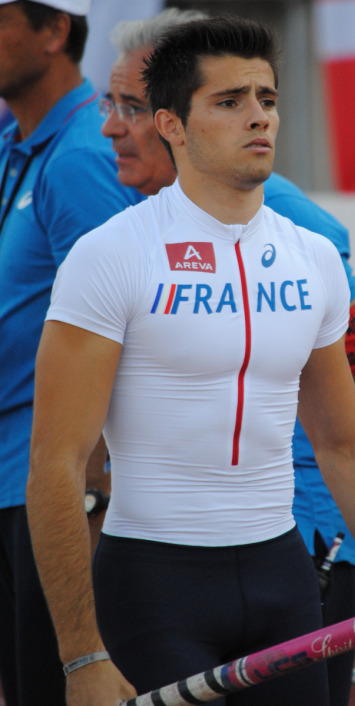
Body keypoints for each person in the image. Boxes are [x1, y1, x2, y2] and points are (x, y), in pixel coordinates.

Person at [26, 16, 355, 706]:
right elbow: (55, 461)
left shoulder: (311, 256)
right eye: (229, 102)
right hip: (152, 585)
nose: (258, 117)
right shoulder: (112, 255)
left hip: (280, 577)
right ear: (172, 124)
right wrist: (82, 655)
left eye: (266, 98)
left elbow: (348, 445)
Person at [101, 10, 355, 705]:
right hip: (171, 558)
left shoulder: (294, 223)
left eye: (130, 108)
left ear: (172, 117)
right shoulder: (134, 226)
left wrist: (327, 494)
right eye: (111, 105)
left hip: (297, 537)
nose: (112, 126)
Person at [0, 1, 142, 704]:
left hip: (47, 484)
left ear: (54, 31)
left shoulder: (84, 155)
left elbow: (121, 333)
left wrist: (94, 497)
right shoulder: (17, 143)